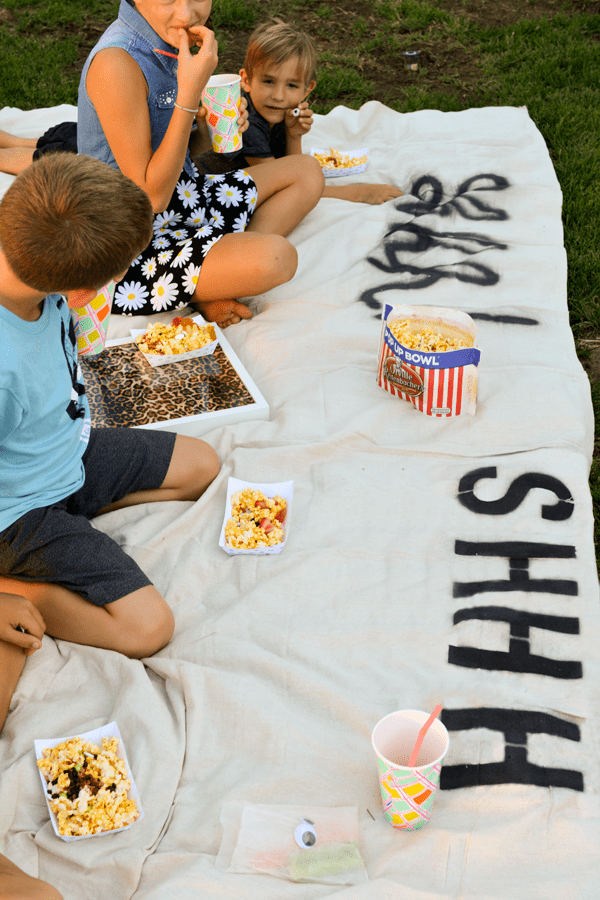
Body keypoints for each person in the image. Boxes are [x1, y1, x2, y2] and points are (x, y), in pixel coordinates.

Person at [0, 153, 221, 745]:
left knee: (203, 465)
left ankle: (78, 527)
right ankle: (18, 586)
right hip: (19, 514)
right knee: (148, 628)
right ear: (81, 286)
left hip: (63, 451)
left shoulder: (31, 273)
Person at [76, 0, 324, 328]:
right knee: (277, 257)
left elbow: (179, 156)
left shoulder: (167, 42)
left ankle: (217, 273)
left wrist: (207, 132)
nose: (186, 14)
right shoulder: (116, 63)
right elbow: (150, 197)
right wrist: (189, 94)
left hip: (185, 201)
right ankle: (210, 282)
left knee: (306, 170)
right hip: (128, 244)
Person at [235, 21, 403, 206]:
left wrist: (293, 135)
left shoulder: (281, 112)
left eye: (291, 85)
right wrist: (354, 193)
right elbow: (285, 181)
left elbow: (292, 165)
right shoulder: (245, 121)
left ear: (307, 89)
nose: (278, 96)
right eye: (268, 81)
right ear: (246, 80)